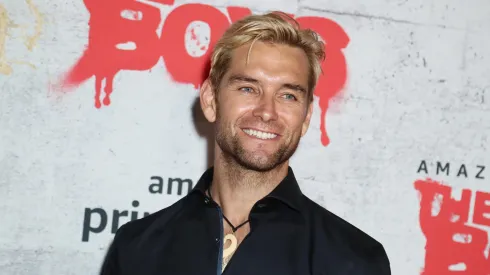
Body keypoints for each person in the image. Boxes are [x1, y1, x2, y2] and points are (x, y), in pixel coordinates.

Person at [99, 11, 391, 275]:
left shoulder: (354, 260)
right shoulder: (136, 248)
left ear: (306, 117)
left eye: (288, 95)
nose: (266, 111)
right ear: (211, 100)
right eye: (248, 88)